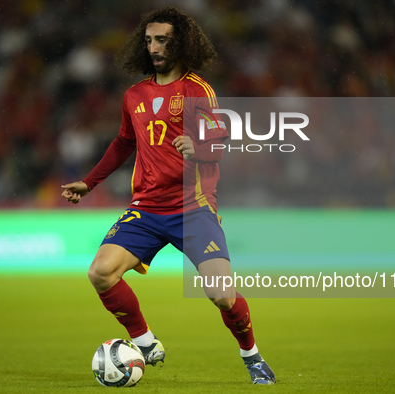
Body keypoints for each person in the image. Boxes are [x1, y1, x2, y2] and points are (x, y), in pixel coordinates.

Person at [61, 7, 275, 385]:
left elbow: (219, 145)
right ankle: (144, 343)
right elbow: (124, 142)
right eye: (149, 41)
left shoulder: (197, 91)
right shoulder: (135, 95)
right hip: (145, 209)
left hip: (192, 208)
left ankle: (252, 356)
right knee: (101, 273)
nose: (154, 47)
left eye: (162, 40)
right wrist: (89, 182)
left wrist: (198, 147)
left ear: (181, 43)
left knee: (223, 296)